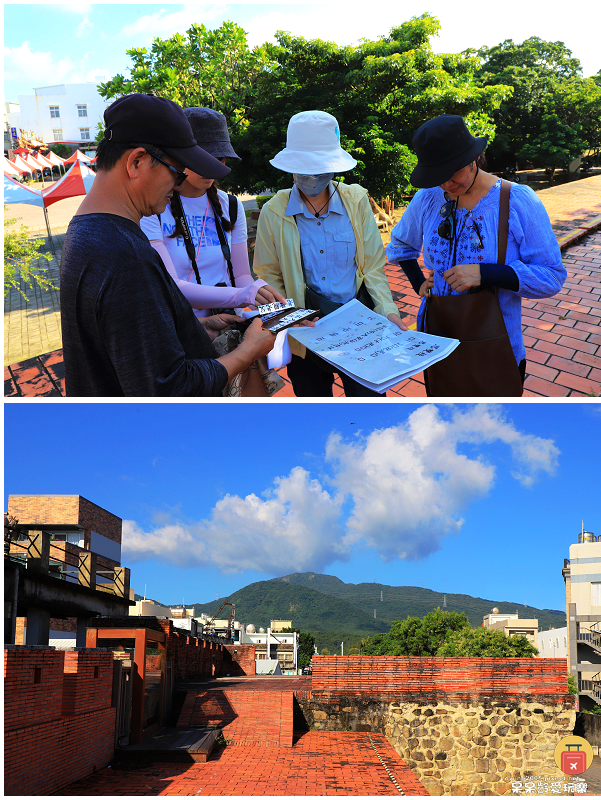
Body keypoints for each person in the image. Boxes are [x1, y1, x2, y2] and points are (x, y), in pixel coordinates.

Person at [60, 93, 276, 397]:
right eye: (176, 171)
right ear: (136, 162)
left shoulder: (86, 230)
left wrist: (195, 326)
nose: (178, 184)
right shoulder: (128, 258)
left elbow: (127, 344)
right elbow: (170, 387)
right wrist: (249, 351)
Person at [386, 114, 566, 395]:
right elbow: (400, 246)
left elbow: (551, 276)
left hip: (494, 343)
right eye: (438, 176)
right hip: (437, 336)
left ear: (474, 158)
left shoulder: (516, 200)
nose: (446, 184)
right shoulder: (428, 199)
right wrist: (417, 281)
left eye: (453, 172)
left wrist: (487, 273)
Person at [253, 110, 407, 397]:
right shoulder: (274, 211)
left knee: (370, 409)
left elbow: (372, 267)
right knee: (316, 413)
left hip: (360, 327)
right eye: (304, 167)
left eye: (320, 167)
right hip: (306, 332)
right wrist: (288, 318)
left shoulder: (356, 201)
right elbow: (267, 274)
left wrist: (388, 312)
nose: (312, 177)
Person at [140, 107, 286, 316]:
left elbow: (242, 275)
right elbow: (170, 285)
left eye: (221, 158)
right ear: (180, 157)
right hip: (184, 326)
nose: (213, 167)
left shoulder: (231, 206)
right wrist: (243, 295)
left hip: (229, 321)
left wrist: (268, 303)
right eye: (204, 158)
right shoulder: (154, 207)